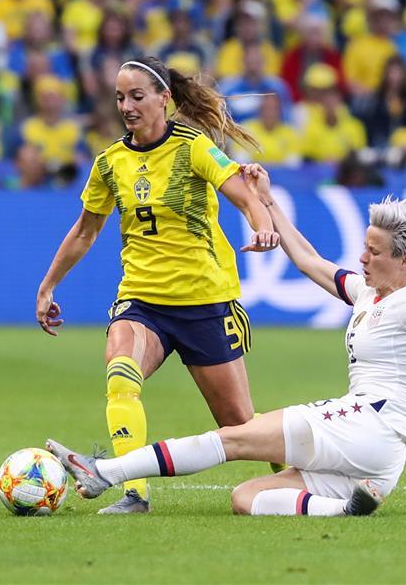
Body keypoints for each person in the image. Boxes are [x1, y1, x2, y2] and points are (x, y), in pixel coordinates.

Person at [47, 173, 406, 517]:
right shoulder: (367, 290)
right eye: (363, 247)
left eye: (374, 252)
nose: (362, 259)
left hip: (371, 423)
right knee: (245, 498)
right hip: (378, 461)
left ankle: (106, 473)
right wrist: (268, 202)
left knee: (237, 438)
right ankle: (347, 509)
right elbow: (309, 262)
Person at [36, 56, 280, 514]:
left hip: (204, 302)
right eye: (119, 97)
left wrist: (262, 225)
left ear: (164, 99)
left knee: (240, 424)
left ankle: (312, 471)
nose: (126, 106)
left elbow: (245, 196)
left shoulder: (194, 148)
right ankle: (134, 494)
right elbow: (85, 230)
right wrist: (48, 285)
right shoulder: (110, 162)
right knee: (120, 374)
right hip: (142, 301)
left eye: (136, 96)